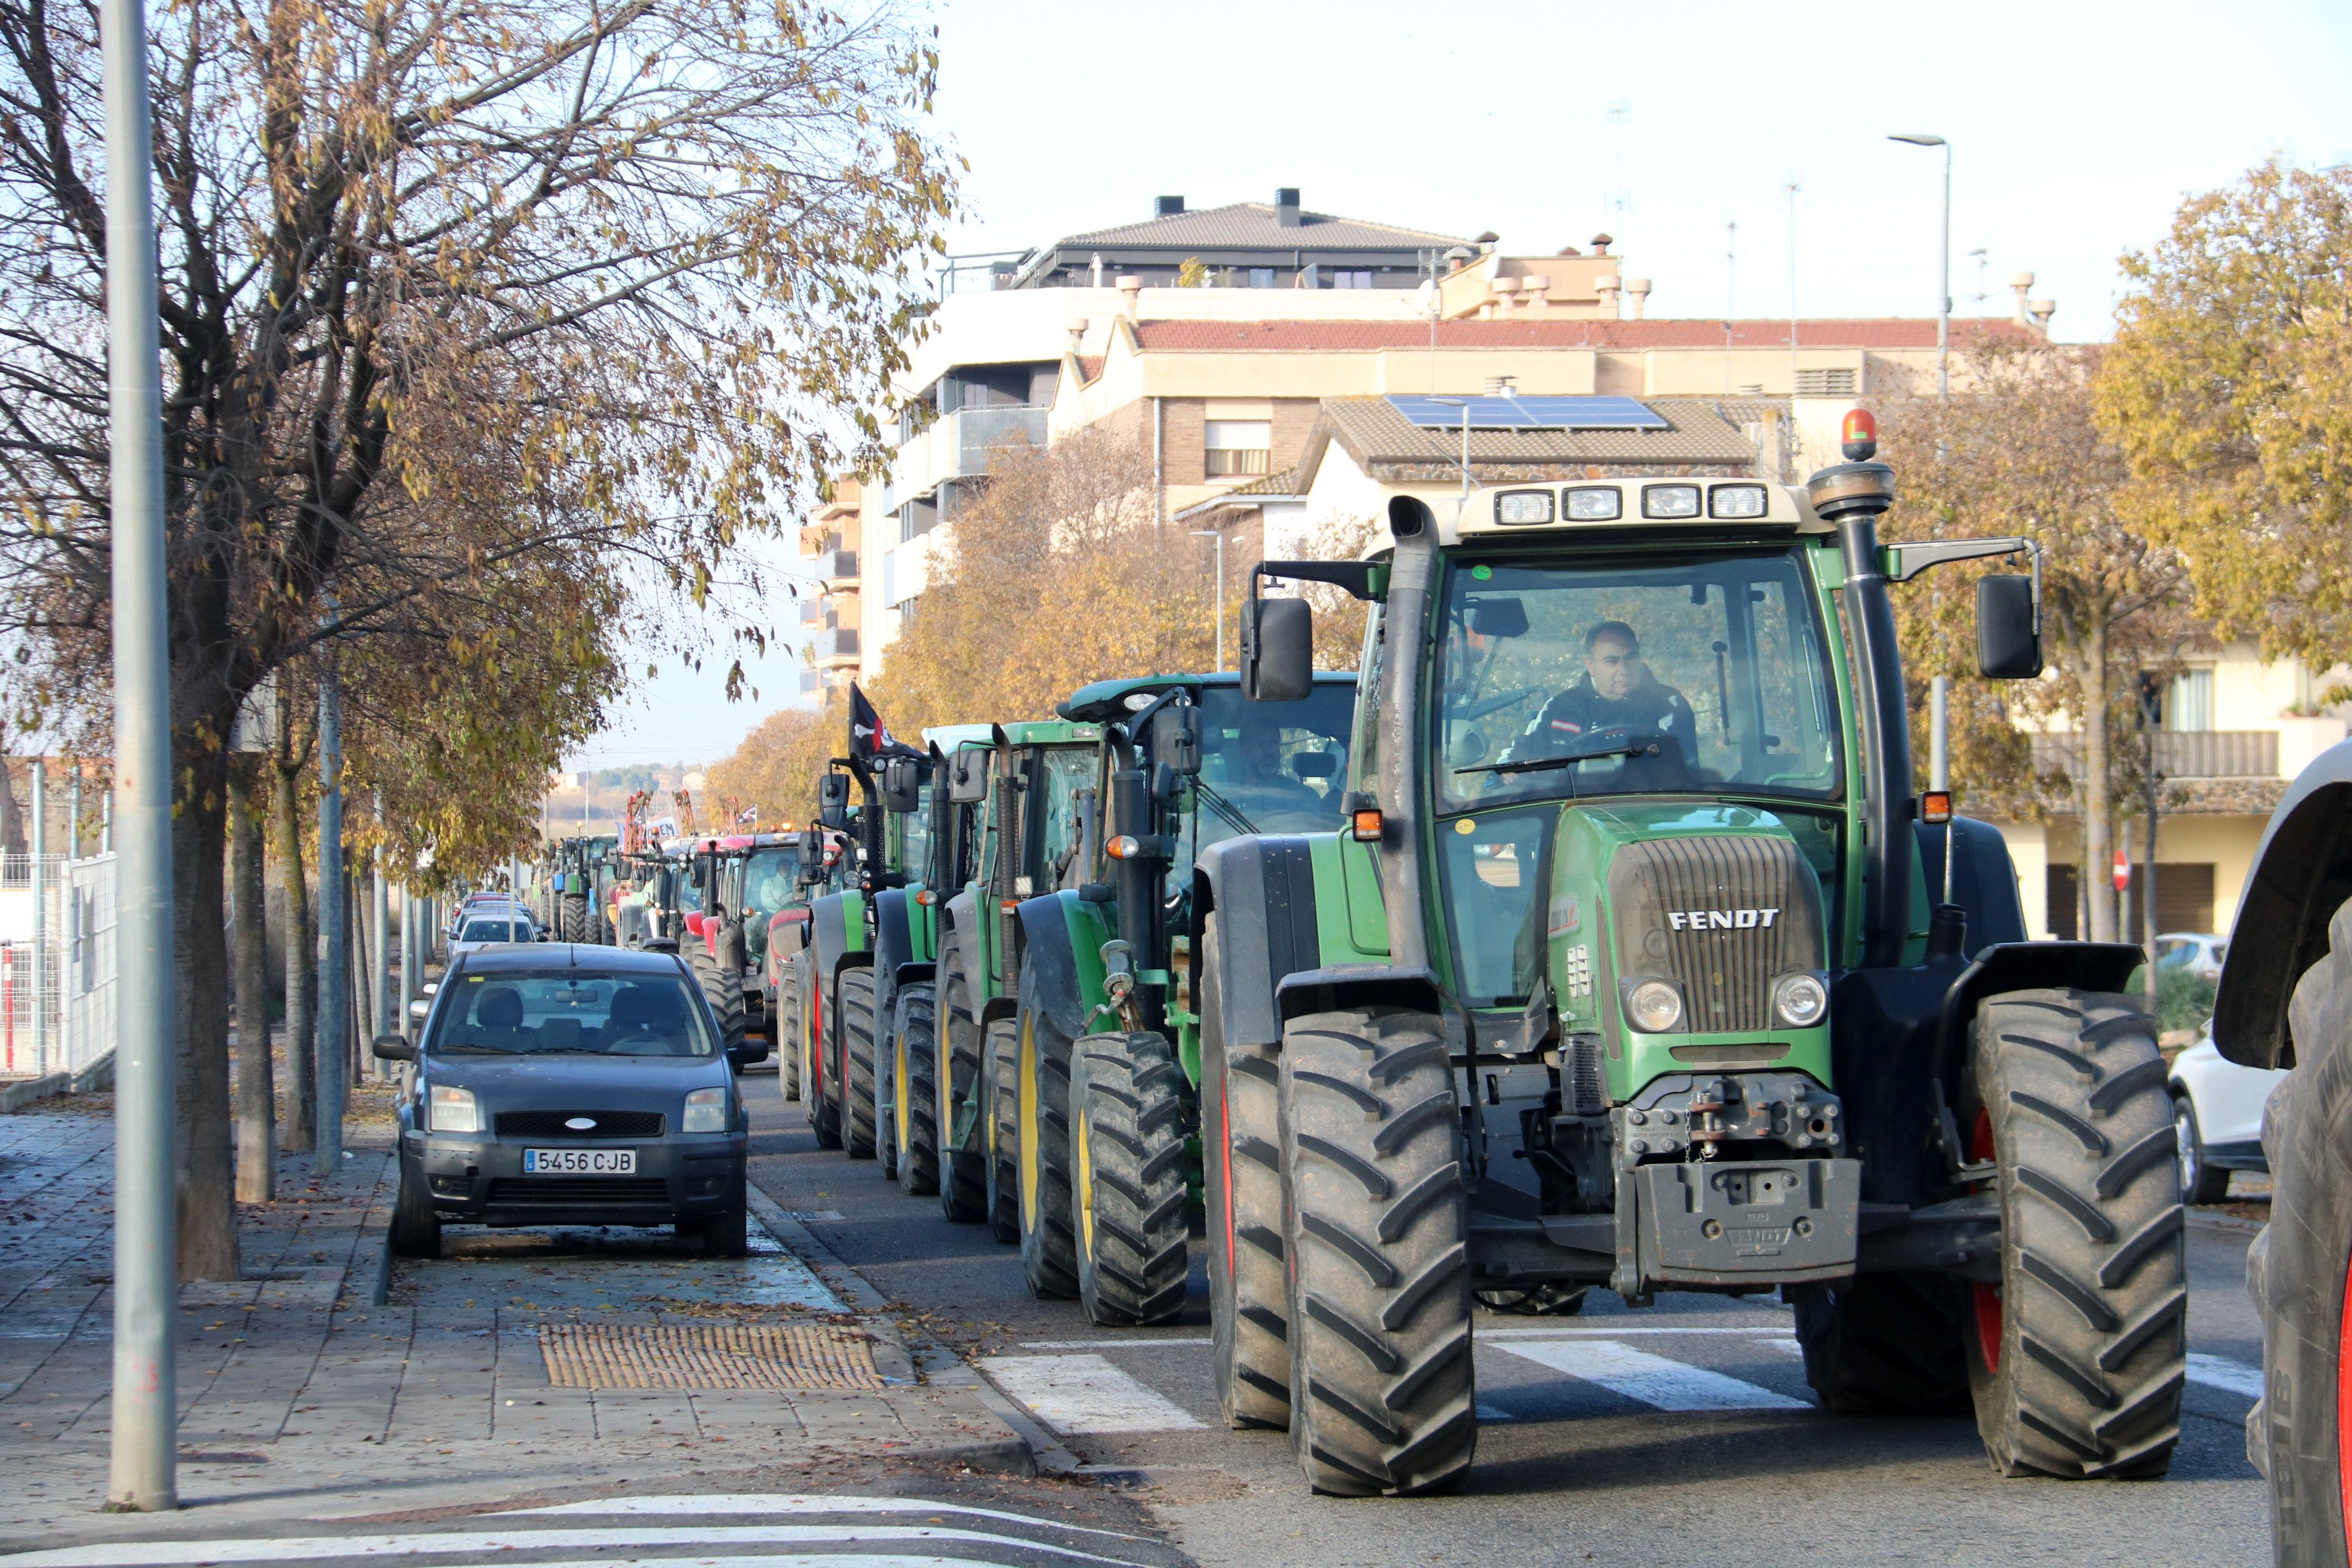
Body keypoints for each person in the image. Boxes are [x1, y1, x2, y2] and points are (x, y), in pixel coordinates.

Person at [1498, 620, 1696, 786]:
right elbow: (1514, 759)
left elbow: (1687, 772)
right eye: (1612, 661)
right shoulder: (1559, 709)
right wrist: (1515, 764)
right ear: (1591, 665)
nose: (1624, 670)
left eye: (1630, 658)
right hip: (1570, 806)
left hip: (1650, 806)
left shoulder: (1669, 706)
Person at [1219, 724, 1331, 831]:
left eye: (1274, 743)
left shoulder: (1306, 797)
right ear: (1244, 752)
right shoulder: (1225, 802)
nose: (1270, 750)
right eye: (1261, 744)